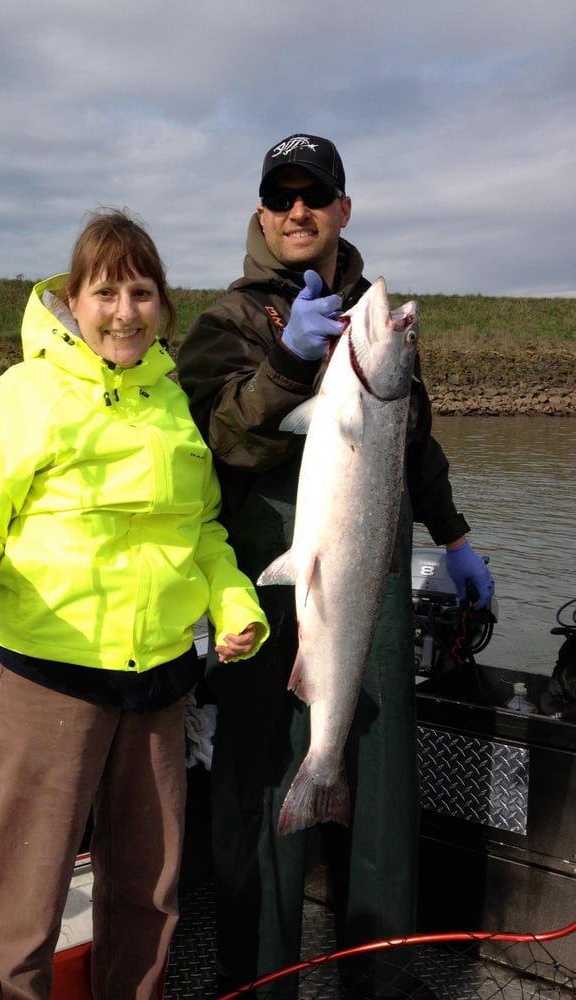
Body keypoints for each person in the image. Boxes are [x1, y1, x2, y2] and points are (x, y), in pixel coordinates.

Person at [0, 208, 270, 1000]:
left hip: (159, 689)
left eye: (142, 293)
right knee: (21, 897)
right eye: (105, 292)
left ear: (164, 307)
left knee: (149, 893)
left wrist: (234, 604)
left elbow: (204, 532)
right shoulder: (20, 396)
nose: (124, 312)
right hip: (48, 682)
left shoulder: (174, 406)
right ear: (72, 300)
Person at [176, 134, 495, 1000]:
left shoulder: (375, 322)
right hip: (266, 577)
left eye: (314, 195)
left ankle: (380, 973)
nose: (297, 211)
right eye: (280, 197)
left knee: (381, 769)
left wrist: (456, 538)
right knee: (258, 765)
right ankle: (260, 974)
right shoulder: (226, 324)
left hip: (375, 581)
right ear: (261, 213)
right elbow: (216, 447)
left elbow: (412, 442)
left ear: (342, 209)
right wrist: (286, 363)